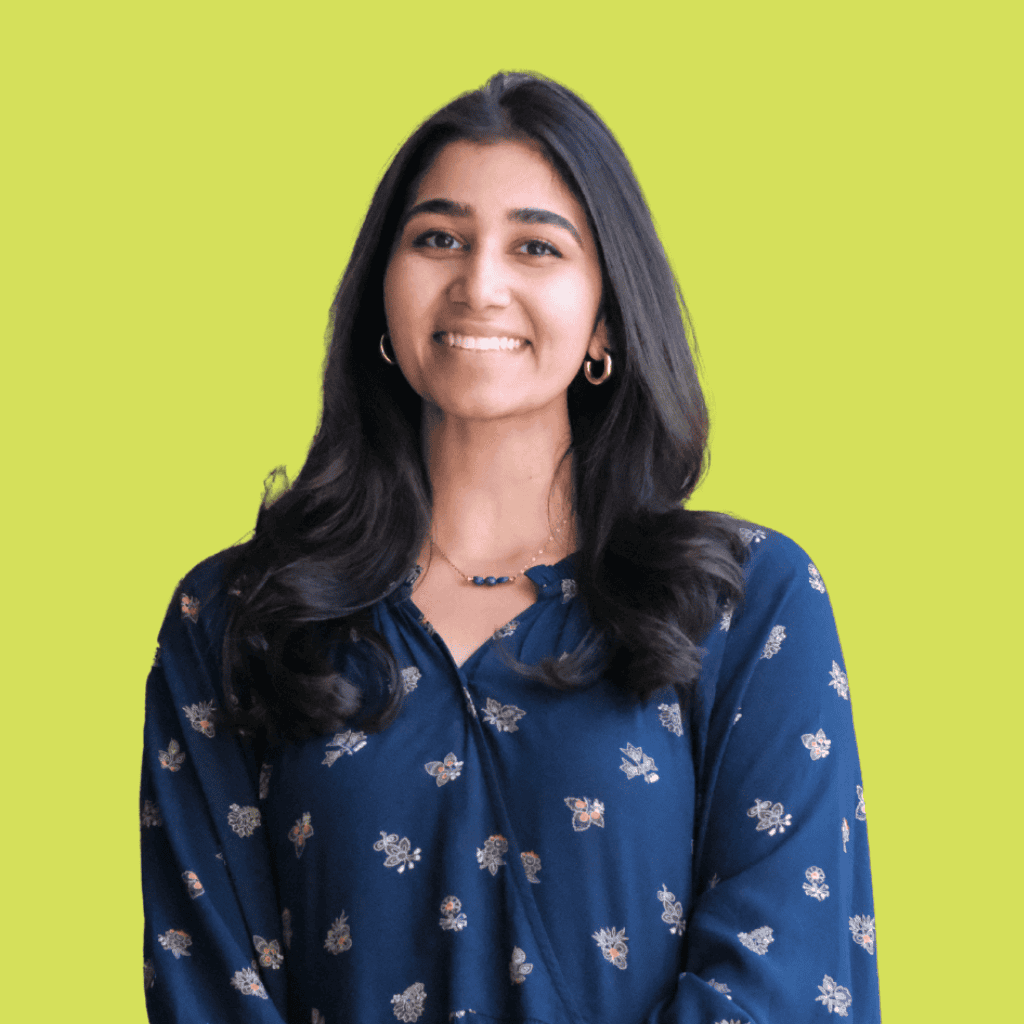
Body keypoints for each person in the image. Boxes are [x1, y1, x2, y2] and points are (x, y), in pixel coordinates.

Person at [140, 72, 880, 1023]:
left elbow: (784, 983)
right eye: (438, 238)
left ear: (605, 316)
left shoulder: (748, 603)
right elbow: (210, 990)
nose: (479, 283)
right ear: (381, 295)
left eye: (536, 246)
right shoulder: (237, 618)